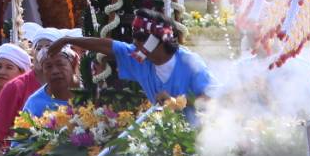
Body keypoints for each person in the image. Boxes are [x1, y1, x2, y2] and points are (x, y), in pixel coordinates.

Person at [49, 13, 216, 122]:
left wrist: (177, 103)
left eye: (139, 43)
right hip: (164, 139)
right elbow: (107, 46)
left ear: (156, 43)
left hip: (196, 143)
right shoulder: (141, 59)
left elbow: (214, 102)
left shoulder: (191, 63)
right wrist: (67, 40)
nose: (134, 48)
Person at [0, 25, 62, 156]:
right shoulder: (15, 86)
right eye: (38, 48)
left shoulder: (68, 84)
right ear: (33, 53)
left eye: (48, 47)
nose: (43, 52)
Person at [20, 39, 80, 122]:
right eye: (48, 67)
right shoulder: (34, 103)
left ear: (73, 64)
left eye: (60, 64)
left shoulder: (91, 91)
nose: (55, 71)